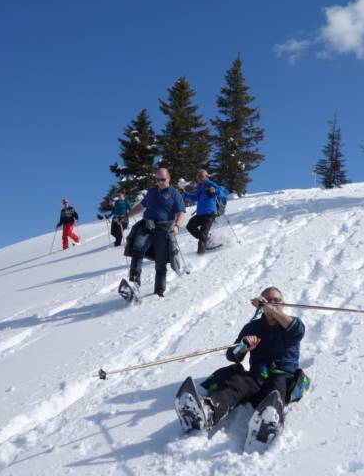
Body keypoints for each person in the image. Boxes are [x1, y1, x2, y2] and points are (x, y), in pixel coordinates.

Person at [194, 286, 306, 430]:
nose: (273, 302)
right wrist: (244, 347)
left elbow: (297, 331)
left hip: (282, 378)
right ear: (261, 305)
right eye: (268, 300)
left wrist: (271, 309)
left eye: (277, 300)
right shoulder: (253, 327)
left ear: (283, 304)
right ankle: (210, 410)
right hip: (257, 378)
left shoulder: (291, 324)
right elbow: (231, 354)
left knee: (277, 384)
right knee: (238, 382)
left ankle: (269, 420)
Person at [124, 168, 186, 297]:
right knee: (137, 250)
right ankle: (134, 283)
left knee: (161, 262)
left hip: (164, 229)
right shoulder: (151, 192)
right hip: (147, 225)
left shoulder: (175, 194)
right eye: (157, 179)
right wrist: (127, 216)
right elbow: (141, 206)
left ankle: (159, 292)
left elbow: (181, 213)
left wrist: (177, 226)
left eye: (162, 179)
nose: (160, 182)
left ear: (169, 179)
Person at [182, 170, 221, 254]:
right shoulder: (200, 187)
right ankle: (208, 240)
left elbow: (219, 191)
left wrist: (214, 191)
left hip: (209, 213)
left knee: (203, 234)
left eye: (201, 176)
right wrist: (185, 194)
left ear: (206, 176)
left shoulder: (210, 184)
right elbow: (195, 197)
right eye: (198, 177)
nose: (199, 178)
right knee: (190, 226)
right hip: (200, 214)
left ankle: (200, 256)